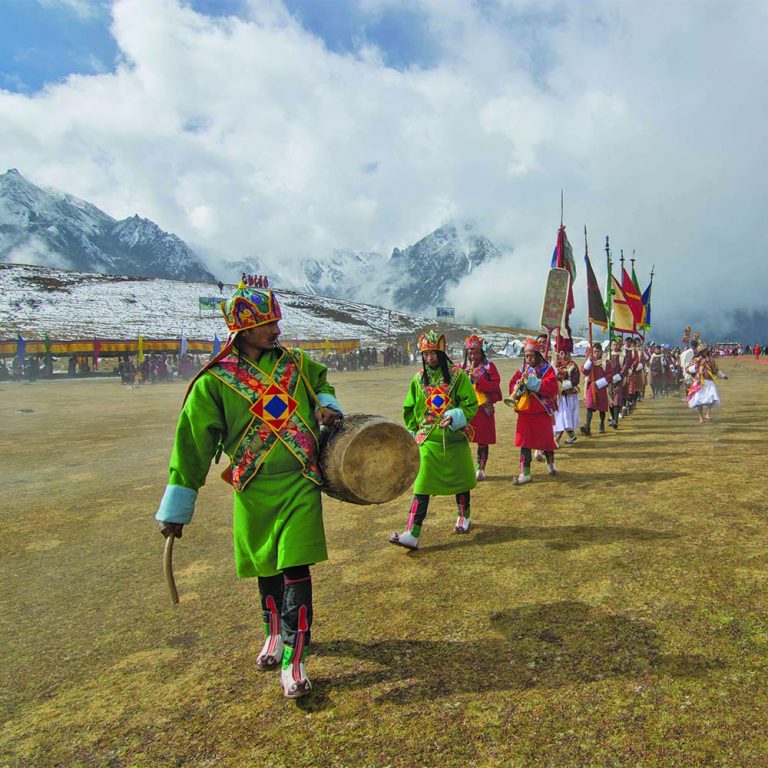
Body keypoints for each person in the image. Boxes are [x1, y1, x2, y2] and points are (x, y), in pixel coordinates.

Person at [155, 282, 343, 699]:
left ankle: (296, 662)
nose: (277, 328)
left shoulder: (296, 363)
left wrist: (326, 403)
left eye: (275, 320)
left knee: (297, 568)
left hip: (300, 482)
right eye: (267, 323)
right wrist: (177, 506)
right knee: (267, 567)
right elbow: (192, 446)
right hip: (253, 487)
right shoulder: (214, 383)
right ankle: (273, 636)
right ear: (243, 329)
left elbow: (321, 381)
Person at [389, 330, 478, 549]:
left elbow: (470, 404)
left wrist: (454, 416)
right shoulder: (418, 379)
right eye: (426, 354)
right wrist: (412, 430)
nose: (430, 358)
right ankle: (412, 532)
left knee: (461, 481)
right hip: (428, 439)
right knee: (422, 483)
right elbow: (409, 408)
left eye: (434, 353)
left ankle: (464, 517)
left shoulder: (459, 376)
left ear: (441, 352)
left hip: (454, 438)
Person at [508, 337, 559, 483]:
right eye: (526, 356)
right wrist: (517, 386)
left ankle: (550, 464)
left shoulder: (547, 369)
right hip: (526, 412)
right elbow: (512, 384)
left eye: (530, 356)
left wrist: (531, 382)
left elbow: (552, 387)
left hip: (541, 411)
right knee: (525, 443)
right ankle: (525, 473)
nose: (528, 359)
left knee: (547, 441)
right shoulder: (523, 370)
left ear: (537, 355)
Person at [461, 335, 502, 480]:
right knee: (461, 439)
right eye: (470, 353)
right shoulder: (461, 368)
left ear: (481, 353)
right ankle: (464, 467)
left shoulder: (489, 368)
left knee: (483, 440)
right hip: (466, 410)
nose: (473, 356)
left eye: (476, 352)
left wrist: (480, 380)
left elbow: (495, 387)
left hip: (483, 409)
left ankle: (481, 468)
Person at [580, 343, 617, 436]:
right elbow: (584, 371)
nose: (596, 353)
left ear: (601, 351)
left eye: (597, 351)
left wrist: (598, 383)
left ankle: (601, 425)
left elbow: (609, 375)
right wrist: (589, 361)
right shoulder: (590, 361)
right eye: (594, 351)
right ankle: (587, 426)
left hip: (601, 387)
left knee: (602, 408)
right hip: (590, 387)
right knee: (589, 406)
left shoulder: (606, 363)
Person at [686, 344, 728, 422]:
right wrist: (697, 365)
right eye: (703, 351)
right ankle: (700, 417)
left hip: (709, 381)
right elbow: (688, 369)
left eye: (706, 350)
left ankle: (708, 414)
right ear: (700, 352)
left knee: (711, 397)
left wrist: (723, 376)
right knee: (699, 400)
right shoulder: (696, 360)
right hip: (699, 381)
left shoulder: (711, 360)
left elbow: (716, 370)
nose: (705, 352)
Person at [553, 348, 580, 445]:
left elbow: (575, 380)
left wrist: (562, 386)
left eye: (566, 353)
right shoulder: (556, 364)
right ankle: (572, 436)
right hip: (559, 396)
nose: (564, 355)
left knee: (564, 418)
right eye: (562, 352)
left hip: (569, 396)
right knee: (562, 418)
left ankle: (556, 440)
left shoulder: (572, 365)